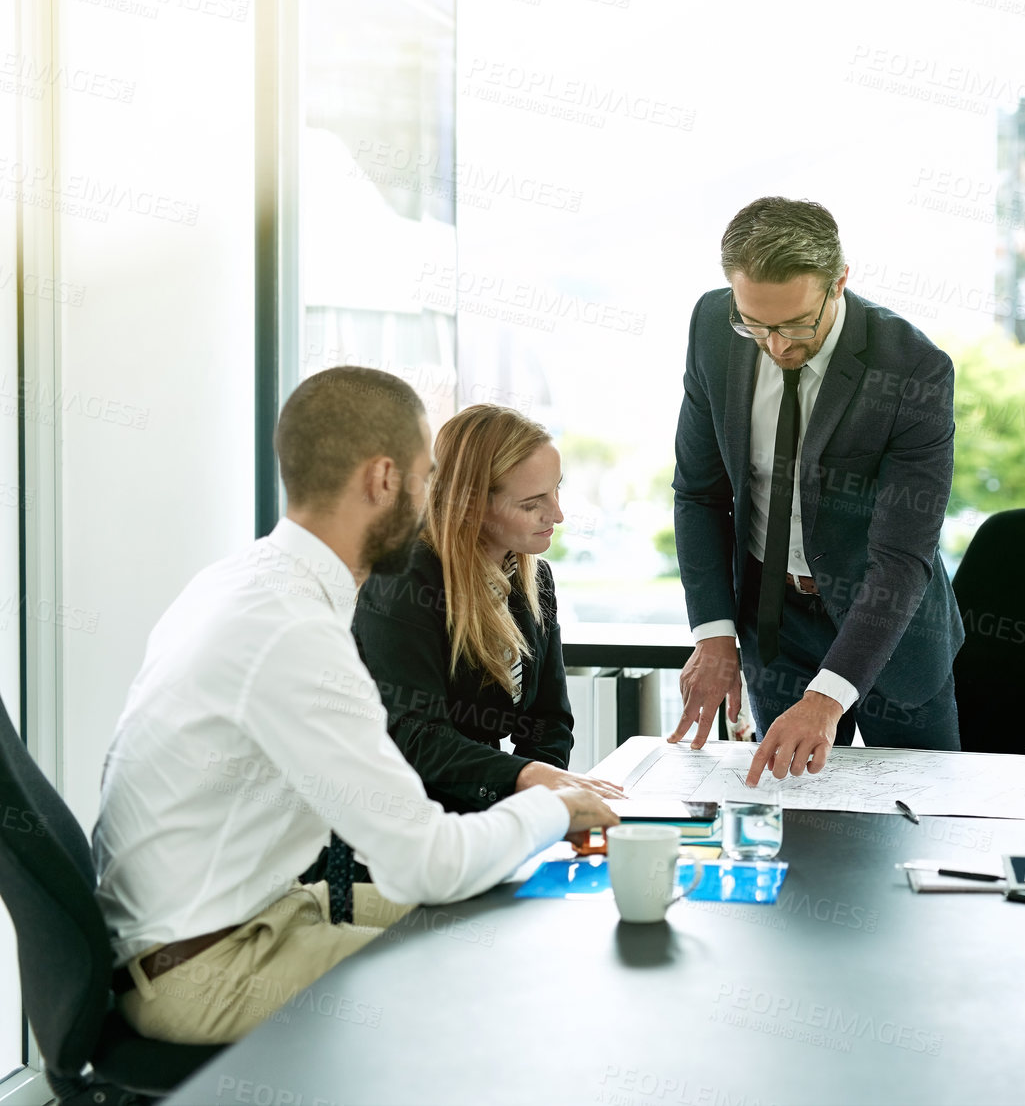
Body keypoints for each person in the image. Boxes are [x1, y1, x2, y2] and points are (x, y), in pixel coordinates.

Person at [92, 368, 617, 1045]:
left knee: (508, 913)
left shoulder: (248, 583)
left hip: (254, 915)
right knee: (498, 983)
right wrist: (553, 803)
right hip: (205, 966)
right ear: (383, 480)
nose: (438, 501)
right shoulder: (294, 631)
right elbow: (425, 862)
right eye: (430, 477)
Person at [669, 197, 964, 786]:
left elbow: (901, 558)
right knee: (791, 823)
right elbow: (699, 494)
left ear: (840, 283)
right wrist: (715, 634)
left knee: (921, 821)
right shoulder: (712, 328)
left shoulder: (911, 367)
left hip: (889, 627)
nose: (776, 346)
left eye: (796, 324)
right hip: (775, 624)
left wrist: (827, 700)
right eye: (755, 324)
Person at [353, 404, 623, 813]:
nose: (558, 515)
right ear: (472, 504)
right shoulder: (404, 578)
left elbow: (549, 721)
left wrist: (538, 803)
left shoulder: (535, 578)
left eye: (557, 490)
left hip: (487, 816)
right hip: (399, 822)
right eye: (533, 503)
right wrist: (525, 778)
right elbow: (415, 738)